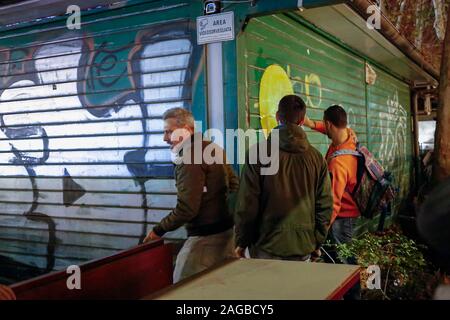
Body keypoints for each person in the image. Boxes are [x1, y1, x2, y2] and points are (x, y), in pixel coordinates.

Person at [143, 107, 239, 283]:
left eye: (169, 132)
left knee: (183, 288)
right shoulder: (212, 148)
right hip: (226, 233)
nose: (165, 138)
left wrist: (159, 230)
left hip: (204, 239)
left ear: (186, 130)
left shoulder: (189, 157)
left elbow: (187, 209)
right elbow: (234, 185)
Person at [234, 95, 333, 261]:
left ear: (277, 117)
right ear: (302, 121)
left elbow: (247, 204)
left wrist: (242, 242)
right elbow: (324, 206)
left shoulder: (258, 153)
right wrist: (316, 242)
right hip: (303, 246)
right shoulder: (317, 158)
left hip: (265, 246)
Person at [303, 105, 360, 253]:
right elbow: (329, 128)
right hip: (348, 212)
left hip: (341, 218)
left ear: (329, 124)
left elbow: (333, 203)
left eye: (325, 123)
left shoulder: (338, 163)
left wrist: (321, 232)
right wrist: (310, 124)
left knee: (342, 261)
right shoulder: (348, 137)